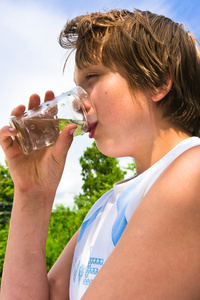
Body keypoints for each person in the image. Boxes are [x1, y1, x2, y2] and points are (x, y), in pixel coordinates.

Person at [0, 8, 200, 300]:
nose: (78, 102)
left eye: (92, 77)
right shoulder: (104, 207)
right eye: (77, 86)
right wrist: (32, 194)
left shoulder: (192, 175)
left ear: (158, 80)